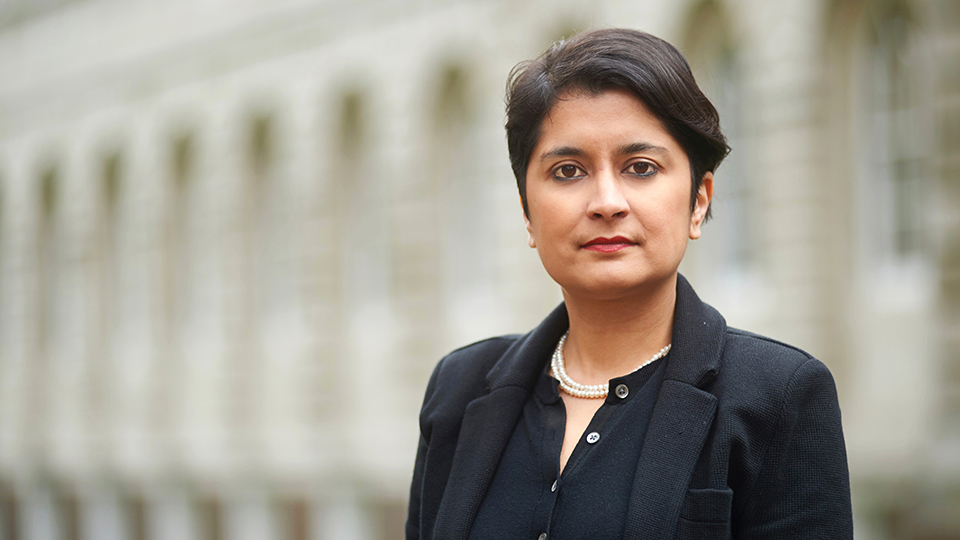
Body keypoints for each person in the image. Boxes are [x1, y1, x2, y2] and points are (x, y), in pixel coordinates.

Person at [406, 28, 852, 540]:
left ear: (699, 200)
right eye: (568, 170)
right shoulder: (457, 390)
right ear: (526, 211)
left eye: (641, 168)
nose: (607, 201)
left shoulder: (778, 396)